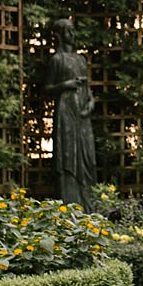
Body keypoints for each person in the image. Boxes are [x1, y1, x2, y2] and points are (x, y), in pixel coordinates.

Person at [45, 18, 97, 208]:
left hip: (83, 114)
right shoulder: (57, 60)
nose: (72, 35)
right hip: (66, 113)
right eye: (69, 31)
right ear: (60, 35)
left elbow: (88, 88)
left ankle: (88, 203)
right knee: (68, 153)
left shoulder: (81, 59)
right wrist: (64, 85)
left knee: (87, 155)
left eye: (73, 31)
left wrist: (91, 101)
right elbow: (47, 88)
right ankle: (70, 202)